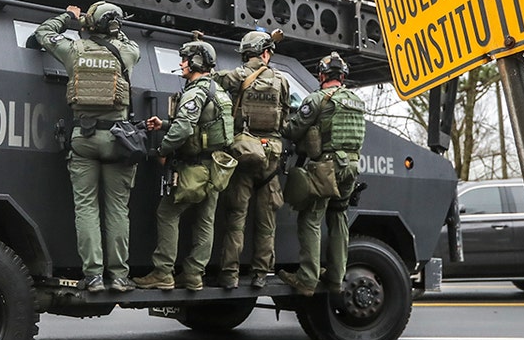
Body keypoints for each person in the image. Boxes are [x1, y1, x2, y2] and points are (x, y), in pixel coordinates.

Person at [34, 2, 141, 293]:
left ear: (90, 24)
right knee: (118, 210)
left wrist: (70, 16)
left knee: (86, 209)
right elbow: (128, 42)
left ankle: (93, 276)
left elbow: (44, 33)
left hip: (84, 139)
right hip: (119, 141)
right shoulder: (128, 53)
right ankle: (119, 276)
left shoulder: (74, 50)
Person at [134, 38, 233, 292]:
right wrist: (164, 124)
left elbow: (184, 128)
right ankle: (193, 275)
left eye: (185, 59)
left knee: (167, 213)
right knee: (205, 221)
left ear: (196, 61)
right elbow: (205, 126)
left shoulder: (195, 91)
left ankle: (163, 272)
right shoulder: (219, 91)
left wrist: (162, 149)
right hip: (215, 168)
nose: (181, 64)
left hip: (193, 168)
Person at [277, 52, 366, 296]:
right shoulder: (356, 101)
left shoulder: (317, 99)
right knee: (338, 217)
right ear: (344, 76)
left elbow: (294, 131)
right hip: (352, 167)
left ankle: (307, 279)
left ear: (322, 75)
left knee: (310, 219)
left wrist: (281, 124)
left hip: (328, 167)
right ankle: (337, 277)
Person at [213, 31, 294, 289]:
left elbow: (211, 80)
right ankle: (260, 274)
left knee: (236, 218)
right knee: (266, 221)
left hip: (244, 153)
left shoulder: (236, 77)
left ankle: (229, 274)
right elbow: (286, 118)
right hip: (271, 155)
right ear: (266, 53)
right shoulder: (281, 81)